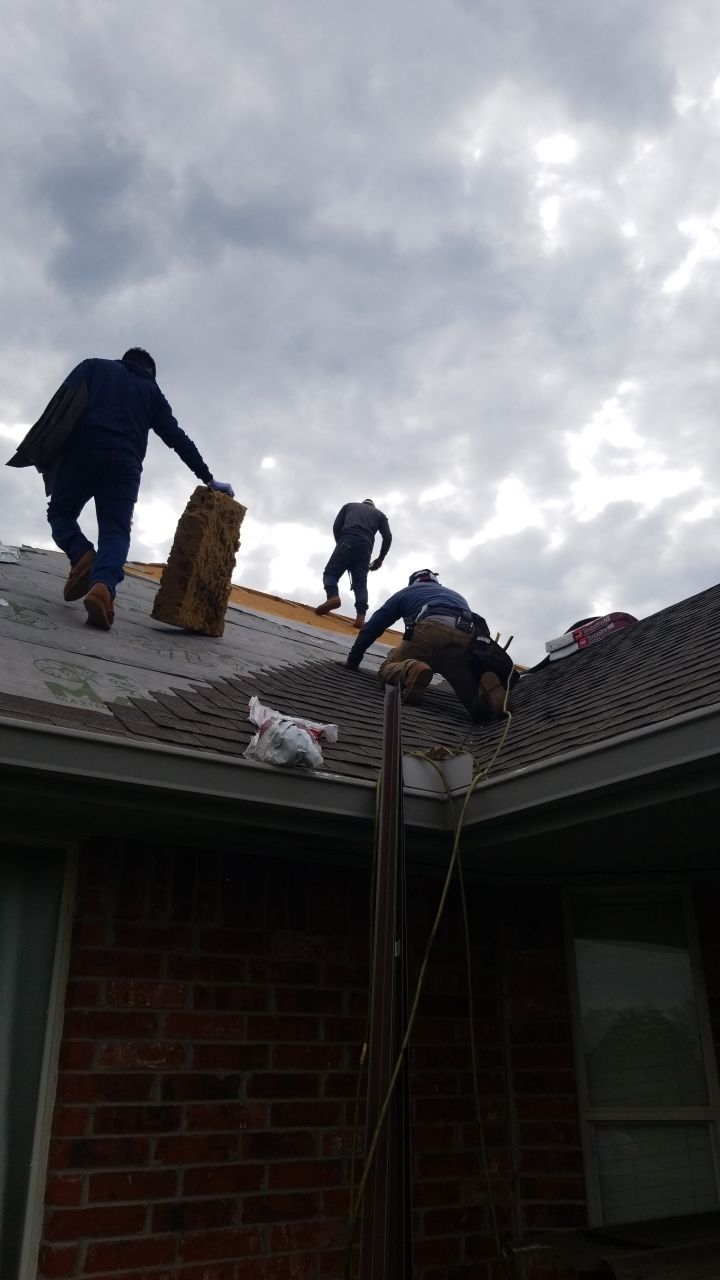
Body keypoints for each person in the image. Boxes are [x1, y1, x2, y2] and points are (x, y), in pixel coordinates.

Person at [44, 348, 234, 631]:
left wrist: (45, 451)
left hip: (82, 452)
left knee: (60, 513)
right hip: (125, 466)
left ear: (125, 360)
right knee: (115, 530)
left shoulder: (93, 367)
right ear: (151, 373)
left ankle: (81, 553)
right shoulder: (151, 392)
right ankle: (103, 587)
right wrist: (208, 477)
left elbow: (60, 407)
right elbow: (175, 437)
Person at [344, 568, 513, 719]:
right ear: (435, 581)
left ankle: (411, 670)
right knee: (474, 708)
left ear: (414, 582)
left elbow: (374, 626)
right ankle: (485, 699)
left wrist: (353, 660)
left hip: (431, 629)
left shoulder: (408, 592)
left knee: (388, 667)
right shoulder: (456, 595)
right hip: (467, 637)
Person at [315, 498, 392, 628]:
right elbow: (388, 537)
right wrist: (380, 559)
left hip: (346, 539)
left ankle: (333, 596)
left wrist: (340, 543)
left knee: (330, 574)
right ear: (373, 507)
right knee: (360, 583)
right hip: (365, 549)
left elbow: (336, 526)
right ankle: (360, 617)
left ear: (362, 504)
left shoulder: (349, 506)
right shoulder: (380, 515)